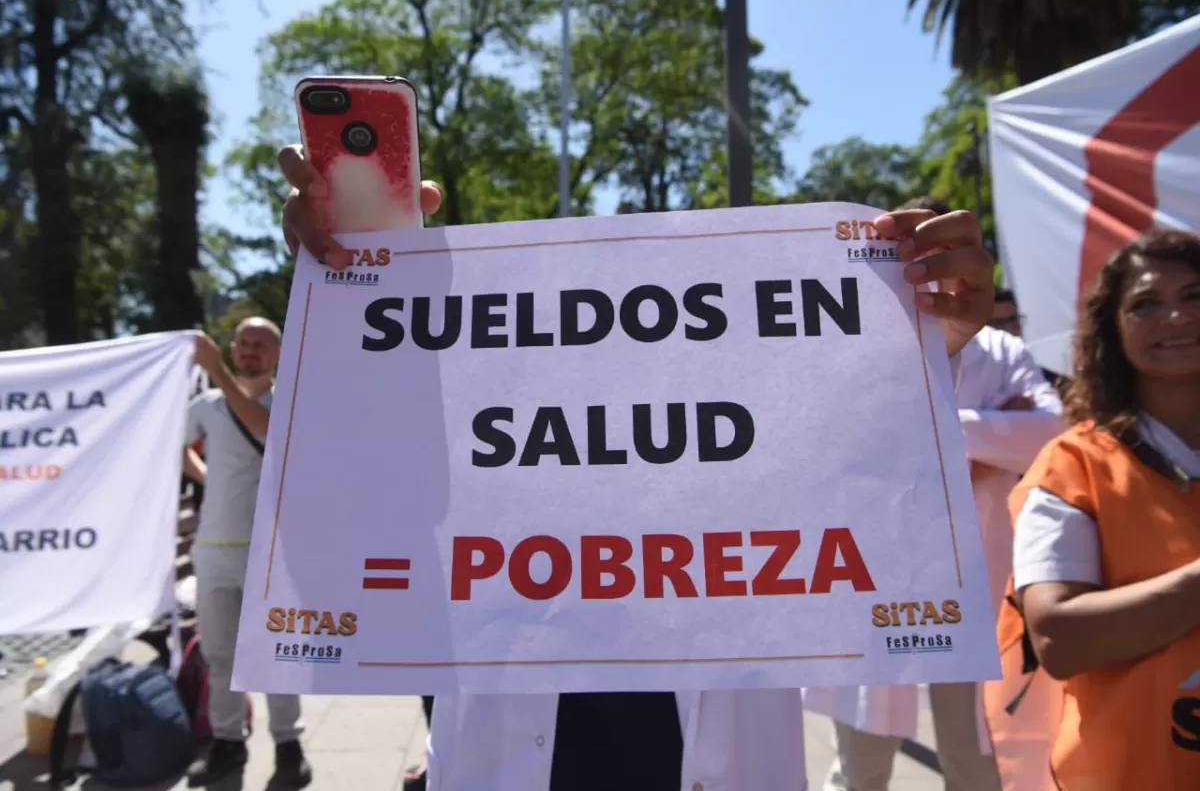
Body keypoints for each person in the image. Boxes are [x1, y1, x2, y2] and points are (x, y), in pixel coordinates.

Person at [276, 144, 1000, 791]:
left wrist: (923, 354)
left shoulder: (770, 489)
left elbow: (868, 480)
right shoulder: (469, 489)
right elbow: (348, 497)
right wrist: (354, 288)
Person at [806, 197, 1064, 791]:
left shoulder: (1003, 352)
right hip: (881, 583)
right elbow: (833, 442)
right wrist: (988, 430)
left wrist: (930, 430)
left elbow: (1049, 434)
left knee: (977, 765)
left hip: (979, 589)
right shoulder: (851, 345)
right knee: (861, 767)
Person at [985, 228, 1200, 789]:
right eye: (1146, 304)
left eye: (1195, 296)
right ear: (1114, 330)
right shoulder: (1073, 464)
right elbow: (1059, 637)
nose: (1176, 317)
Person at [183, 317, 313, 788]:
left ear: (278, 354)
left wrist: (213, 367)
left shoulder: (290, 401)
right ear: (234, 348)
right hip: (214, 548)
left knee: (277, 653)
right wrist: (208, 479)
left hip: (273, 551)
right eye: (243, 343)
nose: (250, 350)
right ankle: (226, 741)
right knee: (219, 656)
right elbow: (175, 448)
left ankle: (288, 744)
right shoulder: (206, 406)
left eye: (261, 344)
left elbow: (259, 427)